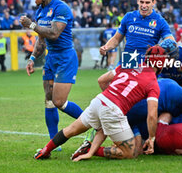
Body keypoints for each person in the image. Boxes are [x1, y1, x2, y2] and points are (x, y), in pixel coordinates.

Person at [34, 45, 166, 160]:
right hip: (113, 110)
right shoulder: (153, 83)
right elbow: (152, 115)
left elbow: (102, 80)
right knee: (130, 152)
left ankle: (45, 150)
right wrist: (152, 138)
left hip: (99, 100)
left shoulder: (130, 63)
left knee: (71, 129)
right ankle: (93, 150)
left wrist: (111, 97)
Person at [20, 0, 83, 144]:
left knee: (59, 101)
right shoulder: (40, 10)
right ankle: (53, 143)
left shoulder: (61, 8)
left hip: (65, 58)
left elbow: (54, 33)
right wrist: (32, 58)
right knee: (48, 100)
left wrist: (31, 25)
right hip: (51, 58)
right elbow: (42, 39)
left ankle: (93, 123)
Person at [71, 78, 182, 159]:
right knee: (134, 152)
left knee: (135, 150)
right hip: (128, 119)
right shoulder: (136, 98)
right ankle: (89, 149)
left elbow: (102, 80)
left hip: (137, 118)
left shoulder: (166, 90)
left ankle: (90, 148)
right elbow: (102, 80)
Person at [98, 0, 174, 91]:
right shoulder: (129, 17)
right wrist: (106, 47)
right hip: (129, 59)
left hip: (146, 63)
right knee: (103, 81)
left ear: (153, 2)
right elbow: (116, 39)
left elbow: (171, 41)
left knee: (139, 95)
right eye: (141, 2)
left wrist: (160, 48)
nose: (144, 5)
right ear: (137, 1)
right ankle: (113, 105)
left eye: (147, 2)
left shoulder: (160, 21)